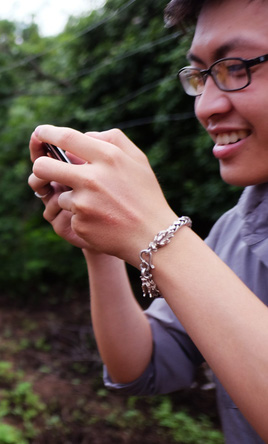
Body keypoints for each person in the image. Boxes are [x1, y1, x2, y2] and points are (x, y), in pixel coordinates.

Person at [28, 0, 268, 441]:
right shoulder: (234, 232)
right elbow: (144, 362)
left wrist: (157, 231)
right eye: (201, 75)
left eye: (237, 67)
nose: (206, 107)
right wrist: (99, 247)